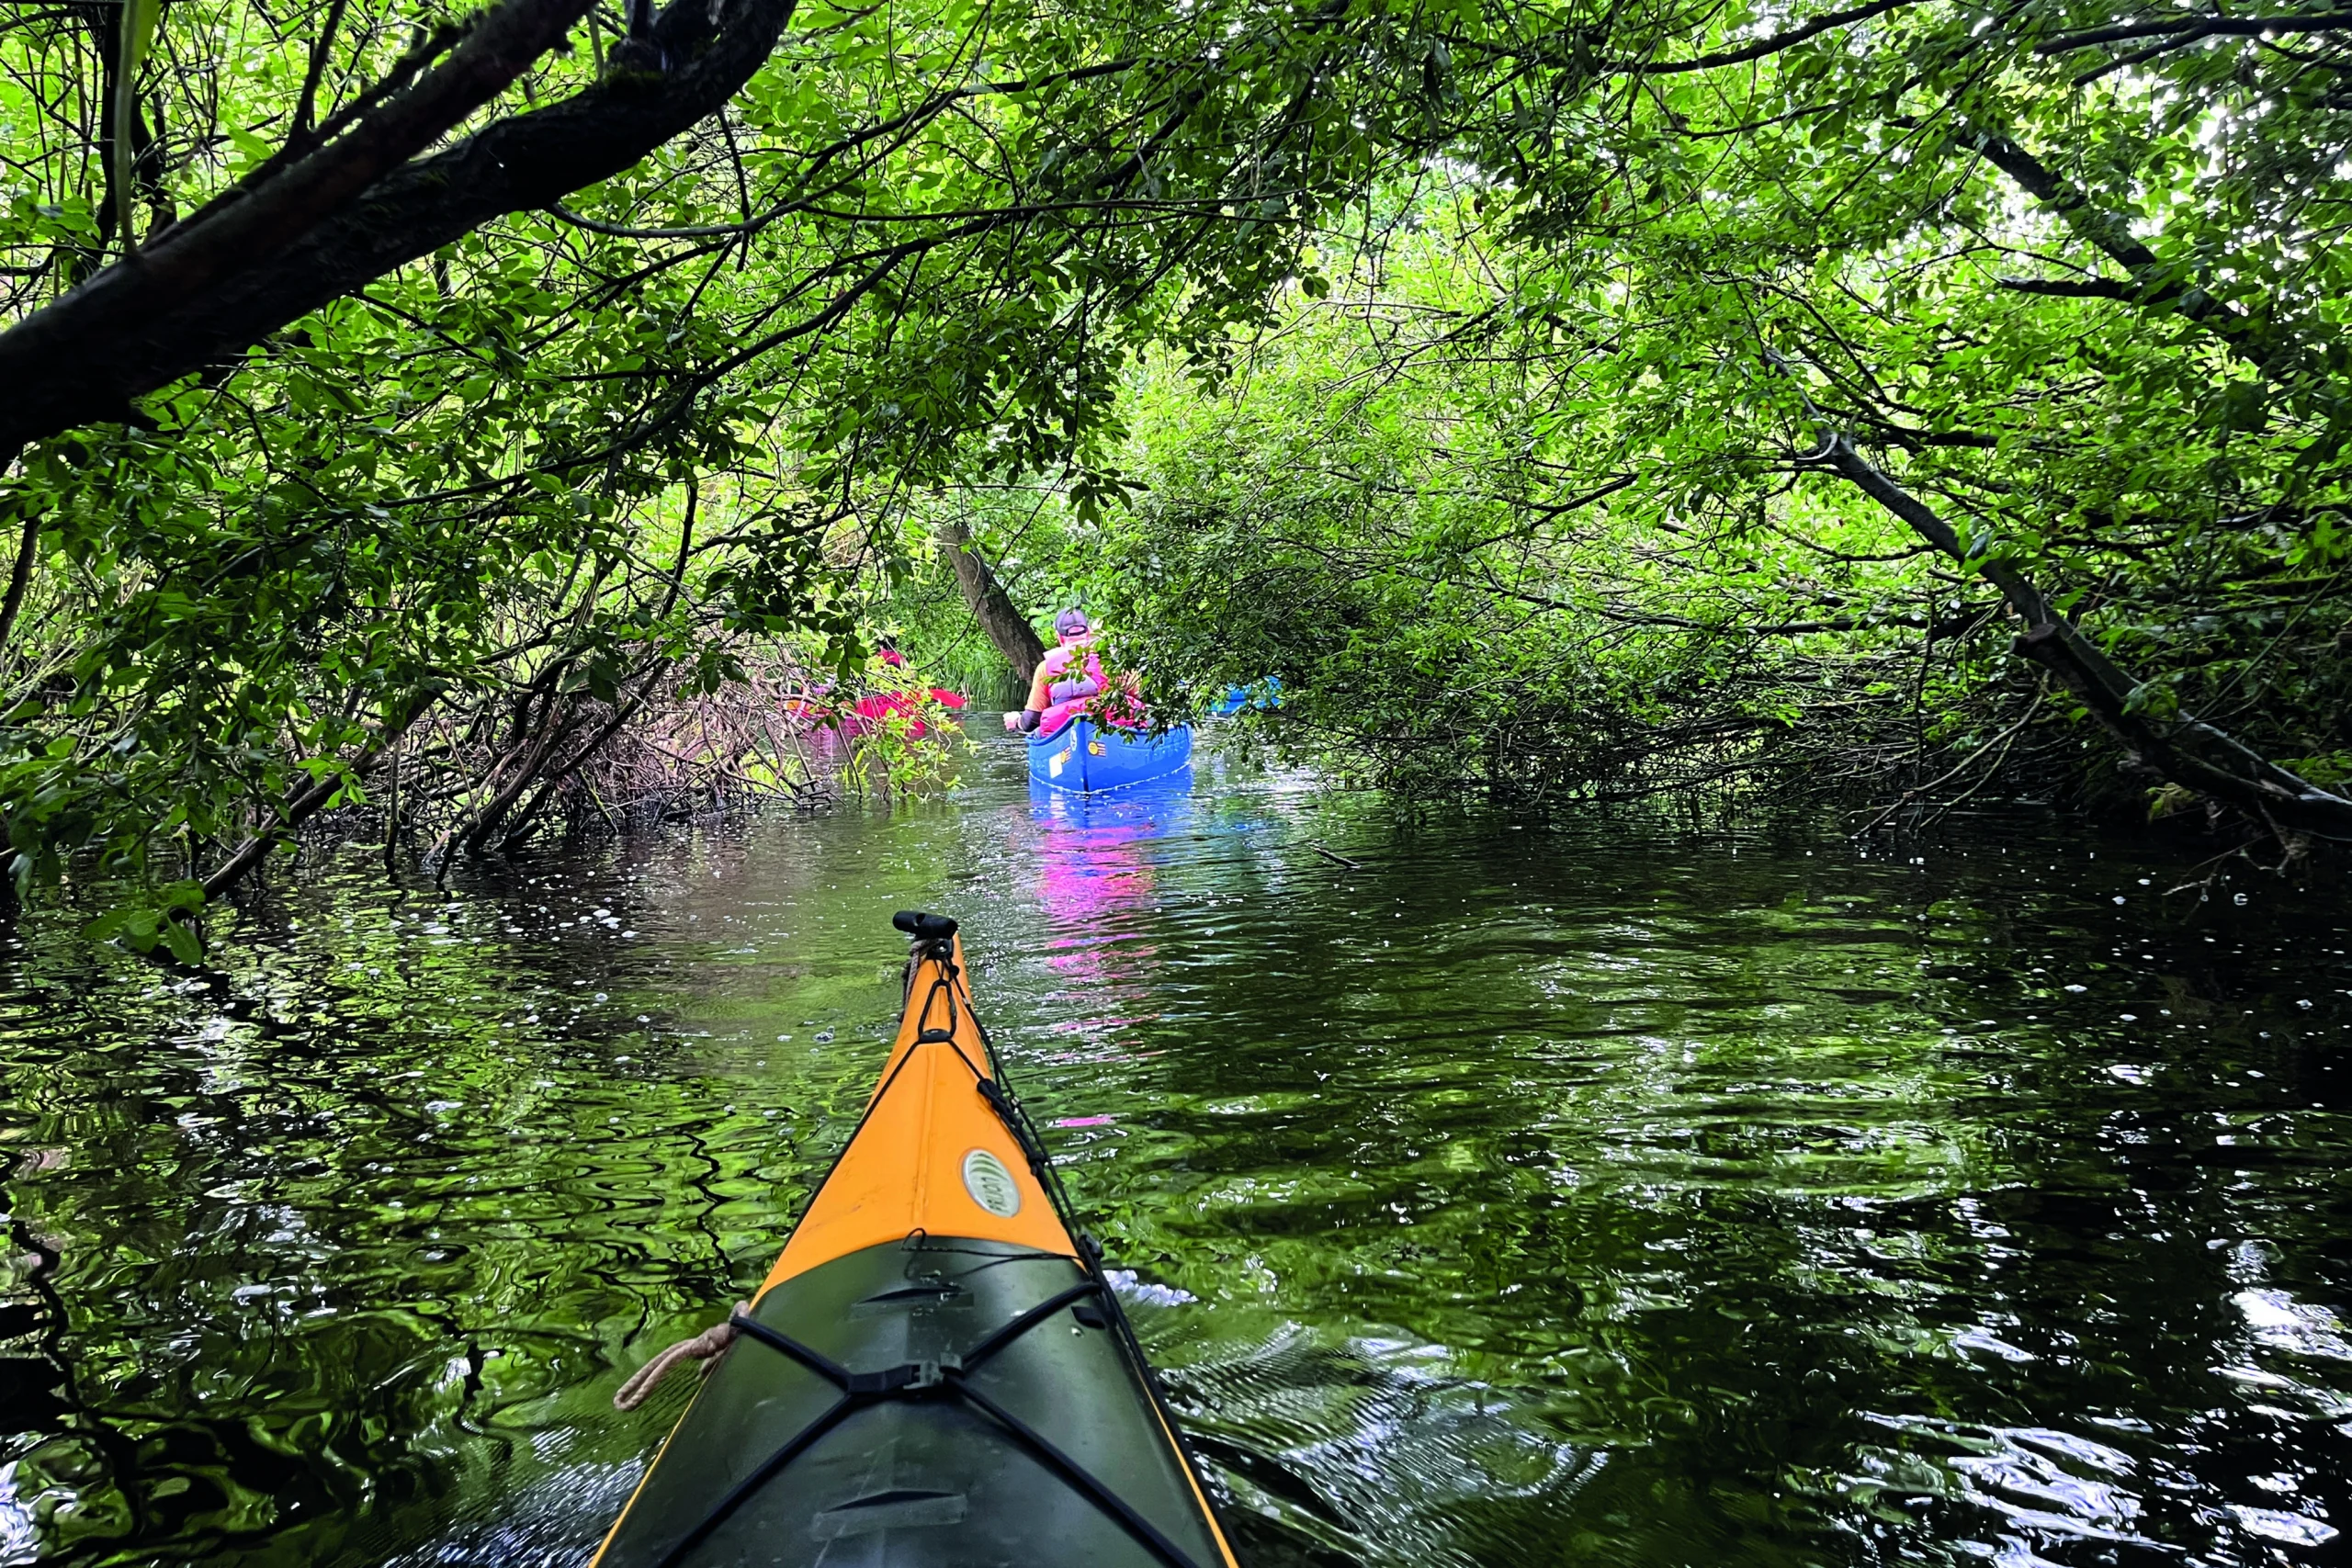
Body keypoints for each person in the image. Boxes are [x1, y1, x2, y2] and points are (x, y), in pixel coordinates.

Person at [1003, 609, 1108, 735]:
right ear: (1089, 632)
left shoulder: (1045, 668)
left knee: (1036, 733)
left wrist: (1016, 721)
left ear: (1059, 637)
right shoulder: (1110, 664)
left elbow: (1032, 720)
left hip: (1062, 738)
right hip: (1106, 736)